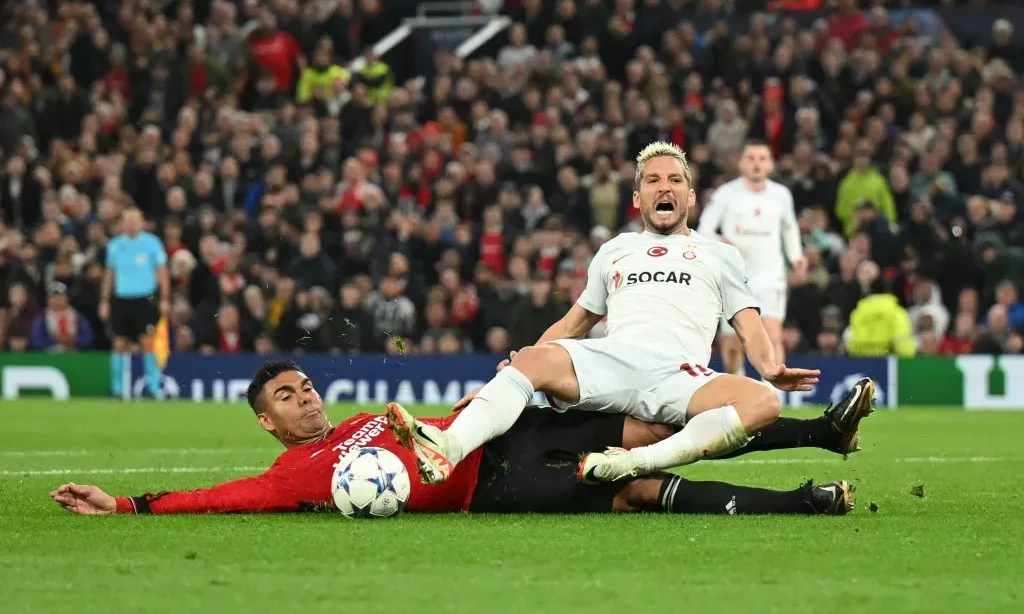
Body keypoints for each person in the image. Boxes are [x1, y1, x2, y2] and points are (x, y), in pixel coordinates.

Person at [384, 142, 827, 487]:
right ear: (637, 197)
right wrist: (517, 369)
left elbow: (748, 324)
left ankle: (633, 464)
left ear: (691, 195)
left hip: (680, 375)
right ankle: (448, 447)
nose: (664, 187)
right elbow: (575, 323)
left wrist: (769, 367)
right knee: (533, 358)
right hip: (613, 360)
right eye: (653, 180)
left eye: (675, 179)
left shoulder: (718, 254)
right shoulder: (615, 250)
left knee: (764, 402)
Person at [50, 360, 859, 517]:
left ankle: (823, 432)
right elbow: (219, 497)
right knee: (633, 486)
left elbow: (437, 425)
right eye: (288, 397)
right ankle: (802, 502)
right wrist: (126, 503)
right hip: (490, 487)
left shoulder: (369, 418)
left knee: (662, 426)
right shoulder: (293, 475)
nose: (307, 400)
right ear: (268, 421)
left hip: (504, 434)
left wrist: (480, 401)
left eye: (305, 386)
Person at [697, 141, 806, 378]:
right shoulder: (726, 194)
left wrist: (796, 256)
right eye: (751, 158)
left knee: (772, 333)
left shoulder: (781, 195)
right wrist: (718, 240)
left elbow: (789, 228)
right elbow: (704, 228)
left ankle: (773, 394)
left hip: (769, 272)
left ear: (770, 164)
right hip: (733, 275)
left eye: (762, 158)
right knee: (732, 342)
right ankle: (740, 387)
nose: (756, 163)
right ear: (741, 163)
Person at [98, 208, 170, 397]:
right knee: (119, 343)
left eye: (135, 219)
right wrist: (104, 301)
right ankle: (117, 389)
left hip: (145, 298)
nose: (131, 223)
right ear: (122, 223)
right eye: (127, 220)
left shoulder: (152, 243)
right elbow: (109, 274)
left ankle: (154, 388)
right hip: (121, 299)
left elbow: (162, 272)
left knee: (147, 342)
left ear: (142, 222)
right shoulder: (114, 245)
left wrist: (164, 298)